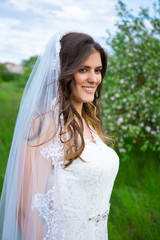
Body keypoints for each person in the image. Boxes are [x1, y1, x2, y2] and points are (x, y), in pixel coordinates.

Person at [0, 32, 119, 240]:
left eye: (98, 70)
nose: (94, 79)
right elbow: (26, 212)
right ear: (63, 71)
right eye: (83, 69)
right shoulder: (43, 125)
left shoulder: (91, 122)